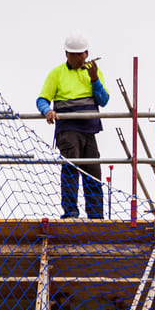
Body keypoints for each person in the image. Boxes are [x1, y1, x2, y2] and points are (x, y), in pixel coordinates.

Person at [36, 32, 111, 219]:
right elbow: (42, 100)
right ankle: (70, 212)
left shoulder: (93, 72)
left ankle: (96, 215)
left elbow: (103, 100)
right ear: (67, 54)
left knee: (93, 171)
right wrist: (48, 111)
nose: (79, 58)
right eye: (74, 55)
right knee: (70, 169)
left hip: (89, 129)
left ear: (86, 54)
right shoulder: (57, 73)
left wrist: (95, 80)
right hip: (68, 130)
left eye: (81, 54)